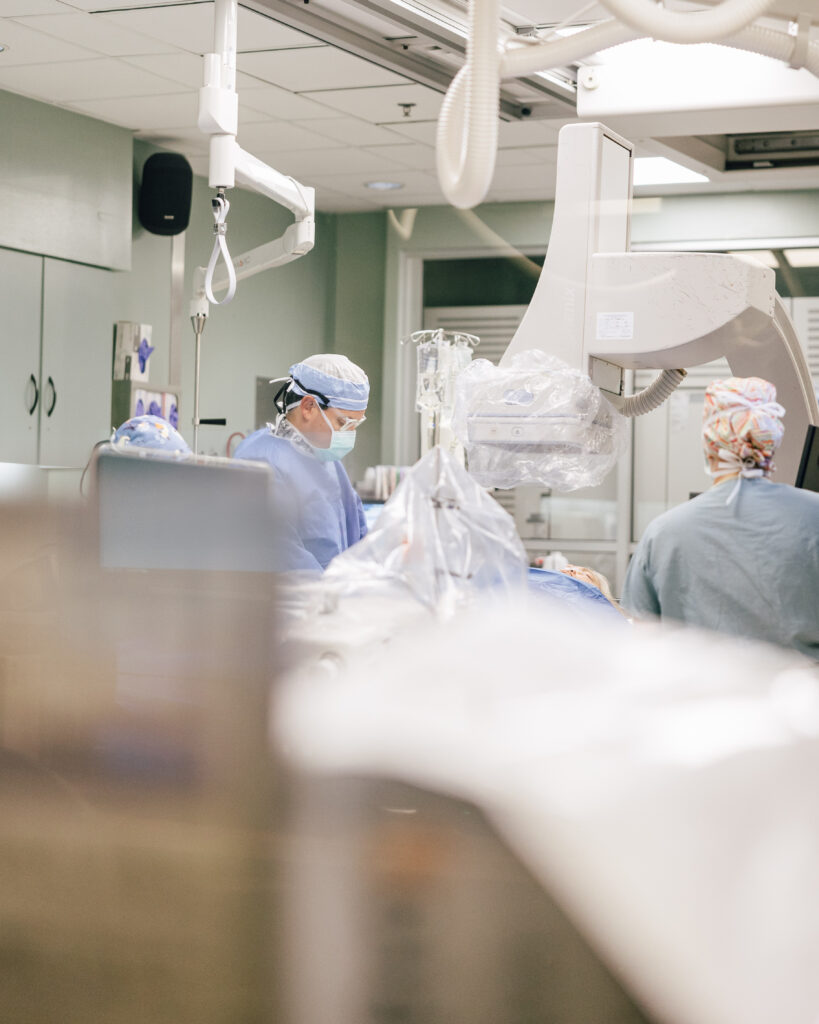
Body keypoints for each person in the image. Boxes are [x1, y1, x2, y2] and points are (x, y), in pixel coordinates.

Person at [622, 376, 819, 659]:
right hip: (800, 700)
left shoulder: (665, 532)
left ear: (710, 443)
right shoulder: (813, 516)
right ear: (771, 441)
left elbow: (642, 643)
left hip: (701, 700)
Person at [233, 354, 369, 572]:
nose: (350, 434)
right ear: (308, 407)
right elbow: (283, 559)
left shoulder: (328, 460)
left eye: (356, 424)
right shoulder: (260, 460)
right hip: (295, 602)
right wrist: (335, 598)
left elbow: (359, 537)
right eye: (343, 422)